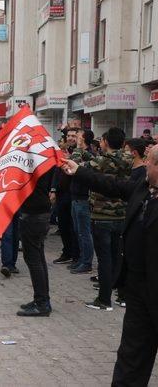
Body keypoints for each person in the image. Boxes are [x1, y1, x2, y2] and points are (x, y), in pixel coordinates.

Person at [62, 147, 158, 386]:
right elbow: (112, 184)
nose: (145, 165)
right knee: (131, 357)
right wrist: (79, 171)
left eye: (149, 162)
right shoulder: (144, 188)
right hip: (137, 288)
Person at [83, 128, 132, 311]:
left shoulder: (102, 161)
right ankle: (122, 295)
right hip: (122, 214)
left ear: (105, 141)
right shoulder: (129, 159)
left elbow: (83, 168)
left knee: (104, 259)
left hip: (102, 214)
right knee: (118, 256)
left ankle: (104, 299)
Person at [16, 168, 54, 317]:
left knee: (34, 259)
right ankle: (42, 299)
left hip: (34, 214)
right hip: (39, 212)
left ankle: (42, 302)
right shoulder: (43, 162)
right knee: (38, 257)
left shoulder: (33, 164)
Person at [69, 129, 96, 274]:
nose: (76, 138)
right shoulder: (80, 152)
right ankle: (81, 259)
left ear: (84, 138)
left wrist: (79, 147)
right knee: (78, 231)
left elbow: (73, 164)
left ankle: (87, 262)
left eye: (78, 136)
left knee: (84, 232)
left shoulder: (90, 155)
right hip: (75, 196)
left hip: (83, 198)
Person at [51, 127, 79, 265]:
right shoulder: (62, 152)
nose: (71, 138)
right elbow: (57, 171)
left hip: (75, 194)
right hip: (62, 194)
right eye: (69, 136)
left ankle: (75, 255)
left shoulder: (83, 153)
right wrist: (53, 189)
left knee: (74, 227)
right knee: (63, 224)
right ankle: (67, 252)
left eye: (74, 136)